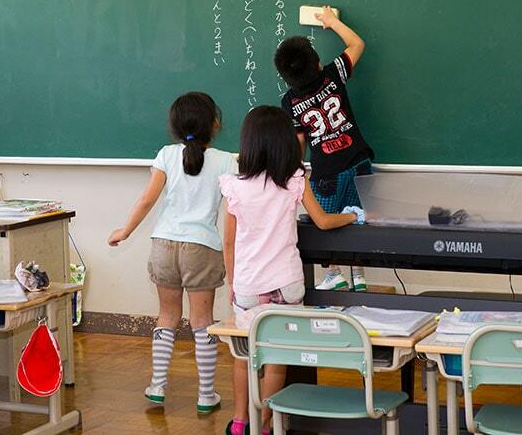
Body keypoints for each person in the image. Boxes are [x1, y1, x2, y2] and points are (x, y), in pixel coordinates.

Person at [220, 106, 361, 435]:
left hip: (248, 285)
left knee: (243, 354)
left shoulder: (234, 187)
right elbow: (323, 221)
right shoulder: (294, 180)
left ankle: (241, 422)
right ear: (286, 142)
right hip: (287, 283)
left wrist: (232, 282)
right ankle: (268, 423)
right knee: (276, 355)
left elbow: (229, 244)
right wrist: (353, 216)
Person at [109, 92, 235, 413]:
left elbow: (147, 200)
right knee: (202, 321)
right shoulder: (226, 161)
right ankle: (206, 395)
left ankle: (157, 385)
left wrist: (125, 231)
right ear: (215, 124)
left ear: (175, 126)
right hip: (202, 248)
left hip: (163, 245)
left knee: (166, 316)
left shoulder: (166, 155)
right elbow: (236, 209)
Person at [275, 7, 373, 291]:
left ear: (286, 78)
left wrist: (295, 172)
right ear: (317, 64)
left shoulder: (290, 101)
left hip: (326, 173)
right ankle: (359, 273)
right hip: (359, 160)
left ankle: (333, 273)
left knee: (325, 222)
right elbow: (357, 44)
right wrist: (332, 22)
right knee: (357, 215)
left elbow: (299, 143)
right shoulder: (333, 74)